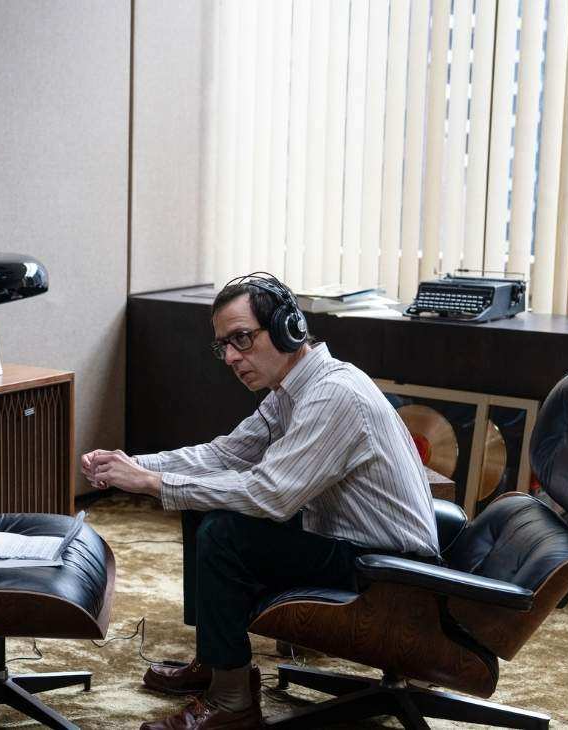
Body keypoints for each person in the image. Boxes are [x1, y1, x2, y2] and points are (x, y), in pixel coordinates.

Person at [82, 273, 439, 730]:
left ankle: (232, 703)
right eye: (224, 346)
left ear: (289, 328)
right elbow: (223, 456)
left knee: (225, 534)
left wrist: (154, 483)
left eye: (242, 338)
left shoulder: (333, 395)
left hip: (390, 573)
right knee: (204, 503)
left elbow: (271, 495)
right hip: (353, 547)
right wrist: (131, 465)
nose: (231, 357)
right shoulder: (292, 389)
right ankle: (217, 662)